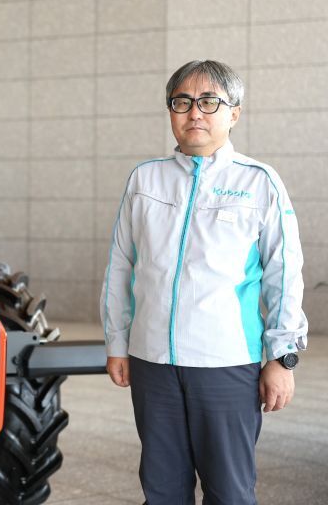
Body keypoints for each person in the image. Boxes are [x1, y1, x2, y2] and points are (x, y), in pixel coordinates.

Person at [100, 60, 308, 505]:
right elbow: (120, 265)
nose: (195, 112)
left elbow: (284, 274)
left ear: (234, 113)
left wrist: (282, 357)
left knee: (229, 492)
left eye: (209, 102)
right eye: (182, 102)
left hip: (226, 364)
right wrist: (118, 342)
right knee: (161, 489)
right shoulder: (145, 178)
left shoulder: (259, 183)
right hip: (152, 362)